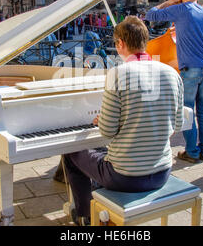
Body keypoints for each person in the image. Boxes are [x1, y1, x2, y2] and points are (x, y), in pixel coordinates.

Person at [62, 16, 184, 225]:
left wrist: (103, 121)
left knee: (72, 150)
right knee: (101, 153)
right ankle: (99, 206)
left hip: (124, 177)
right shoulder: (172, 73)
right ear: (145, 41)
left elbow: (107, 133)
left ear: (120, 44)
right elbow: (177, 126)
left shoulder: (118, 74)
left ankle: (86, 214)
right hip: (162, 171)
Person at [146, 0, 203, 163]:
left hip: (190, 67)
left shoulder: (181, 9)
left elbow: (150, 15)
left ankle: (192, 152)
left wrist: (169, 2)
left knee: (187, 111)